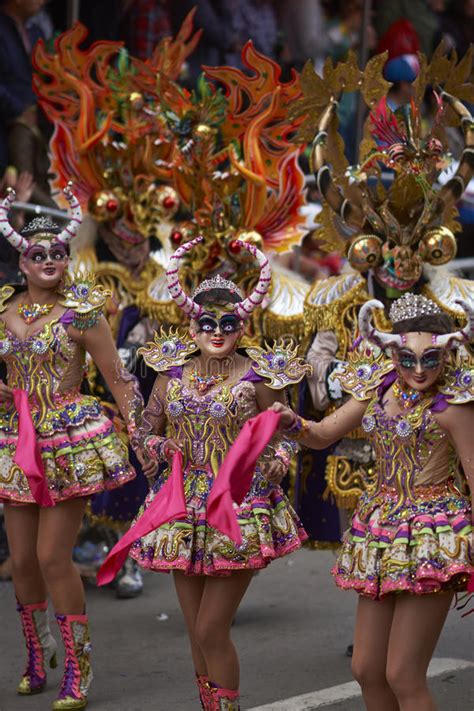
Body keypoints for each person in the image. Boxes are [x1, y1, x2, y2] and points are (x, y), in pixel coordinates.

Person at [99, 237, 309, 710]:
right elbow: (145, 429)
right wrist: (158, 445)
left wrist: (277, 462)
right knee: (196, 631)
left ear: (243, 324)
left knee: (212, 628)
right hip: (180, 504)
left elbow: (288, 433)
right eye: (206, 322)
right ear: (190, 325)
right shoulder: (172, 374)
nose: (217, 330)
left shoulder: (258, 376)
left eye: (228, 322)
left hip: (238, 504)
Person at [272, 292, 474, 711]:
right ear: (389, 351)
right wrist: (292, 422)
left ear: (447, 352)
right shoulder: (375, 391)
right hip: (381, 533)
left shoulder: (455, 406)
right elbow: (323, 433)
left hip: (435, 537)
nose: (419, 370)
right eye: (407, 357)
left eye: (431, 359)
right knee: (366, 668)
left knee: (403, 674)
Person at [0, 185, 143, 709]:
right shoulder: (5, 307)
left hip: (65, 442)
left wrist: (142, 435)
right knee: (21, 560)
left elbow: (119, 380)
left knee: (51, 557)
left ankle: (79, 669)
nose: (50, 262)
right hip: (15, 438)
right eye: (38, 255)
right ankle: (39, 655)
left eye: (59, 253)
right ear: (22, 260)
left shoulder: (84, 313)